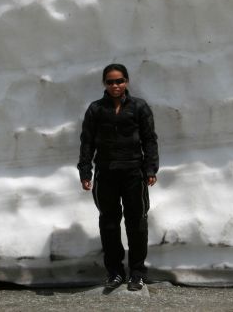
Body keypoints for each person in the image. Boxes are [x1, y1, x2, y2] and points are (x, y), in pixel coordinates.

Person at [77, 63, 159, 292]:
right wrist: (85, 172)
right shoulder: (95, 109)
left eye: (120, 81)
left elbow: (149, 140)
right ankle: (114, 273)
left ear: (127, 82)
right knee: (109, 224)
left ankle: (138, 274)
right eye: (111, 81)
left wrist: (151, 169)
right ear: (105, 83)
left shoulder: (139, 107)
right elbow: (87, 143)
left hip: (134, 172)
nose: (115, 85)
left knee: (137, 223)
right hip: (105, 174)